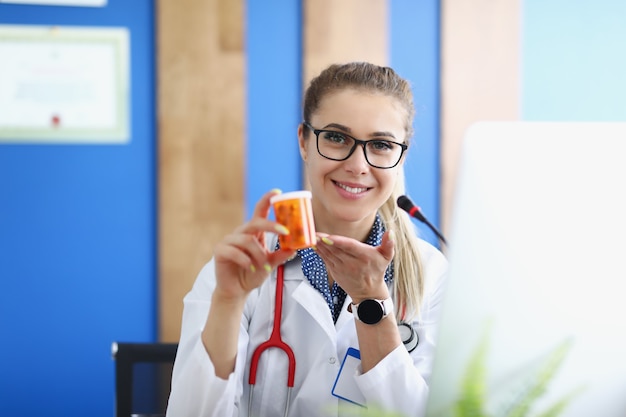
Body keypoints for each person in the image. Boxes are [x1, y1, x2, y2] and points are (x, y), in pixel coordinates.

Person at [166, 62, 448, 417]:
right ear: (304, 141)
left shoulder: (432, 273)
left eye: (380, 144)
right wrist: (227, 301)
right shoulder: (240, 268)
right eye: (336, 137)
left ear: (400, 156)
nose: (358, 165)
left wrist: (371, 303)